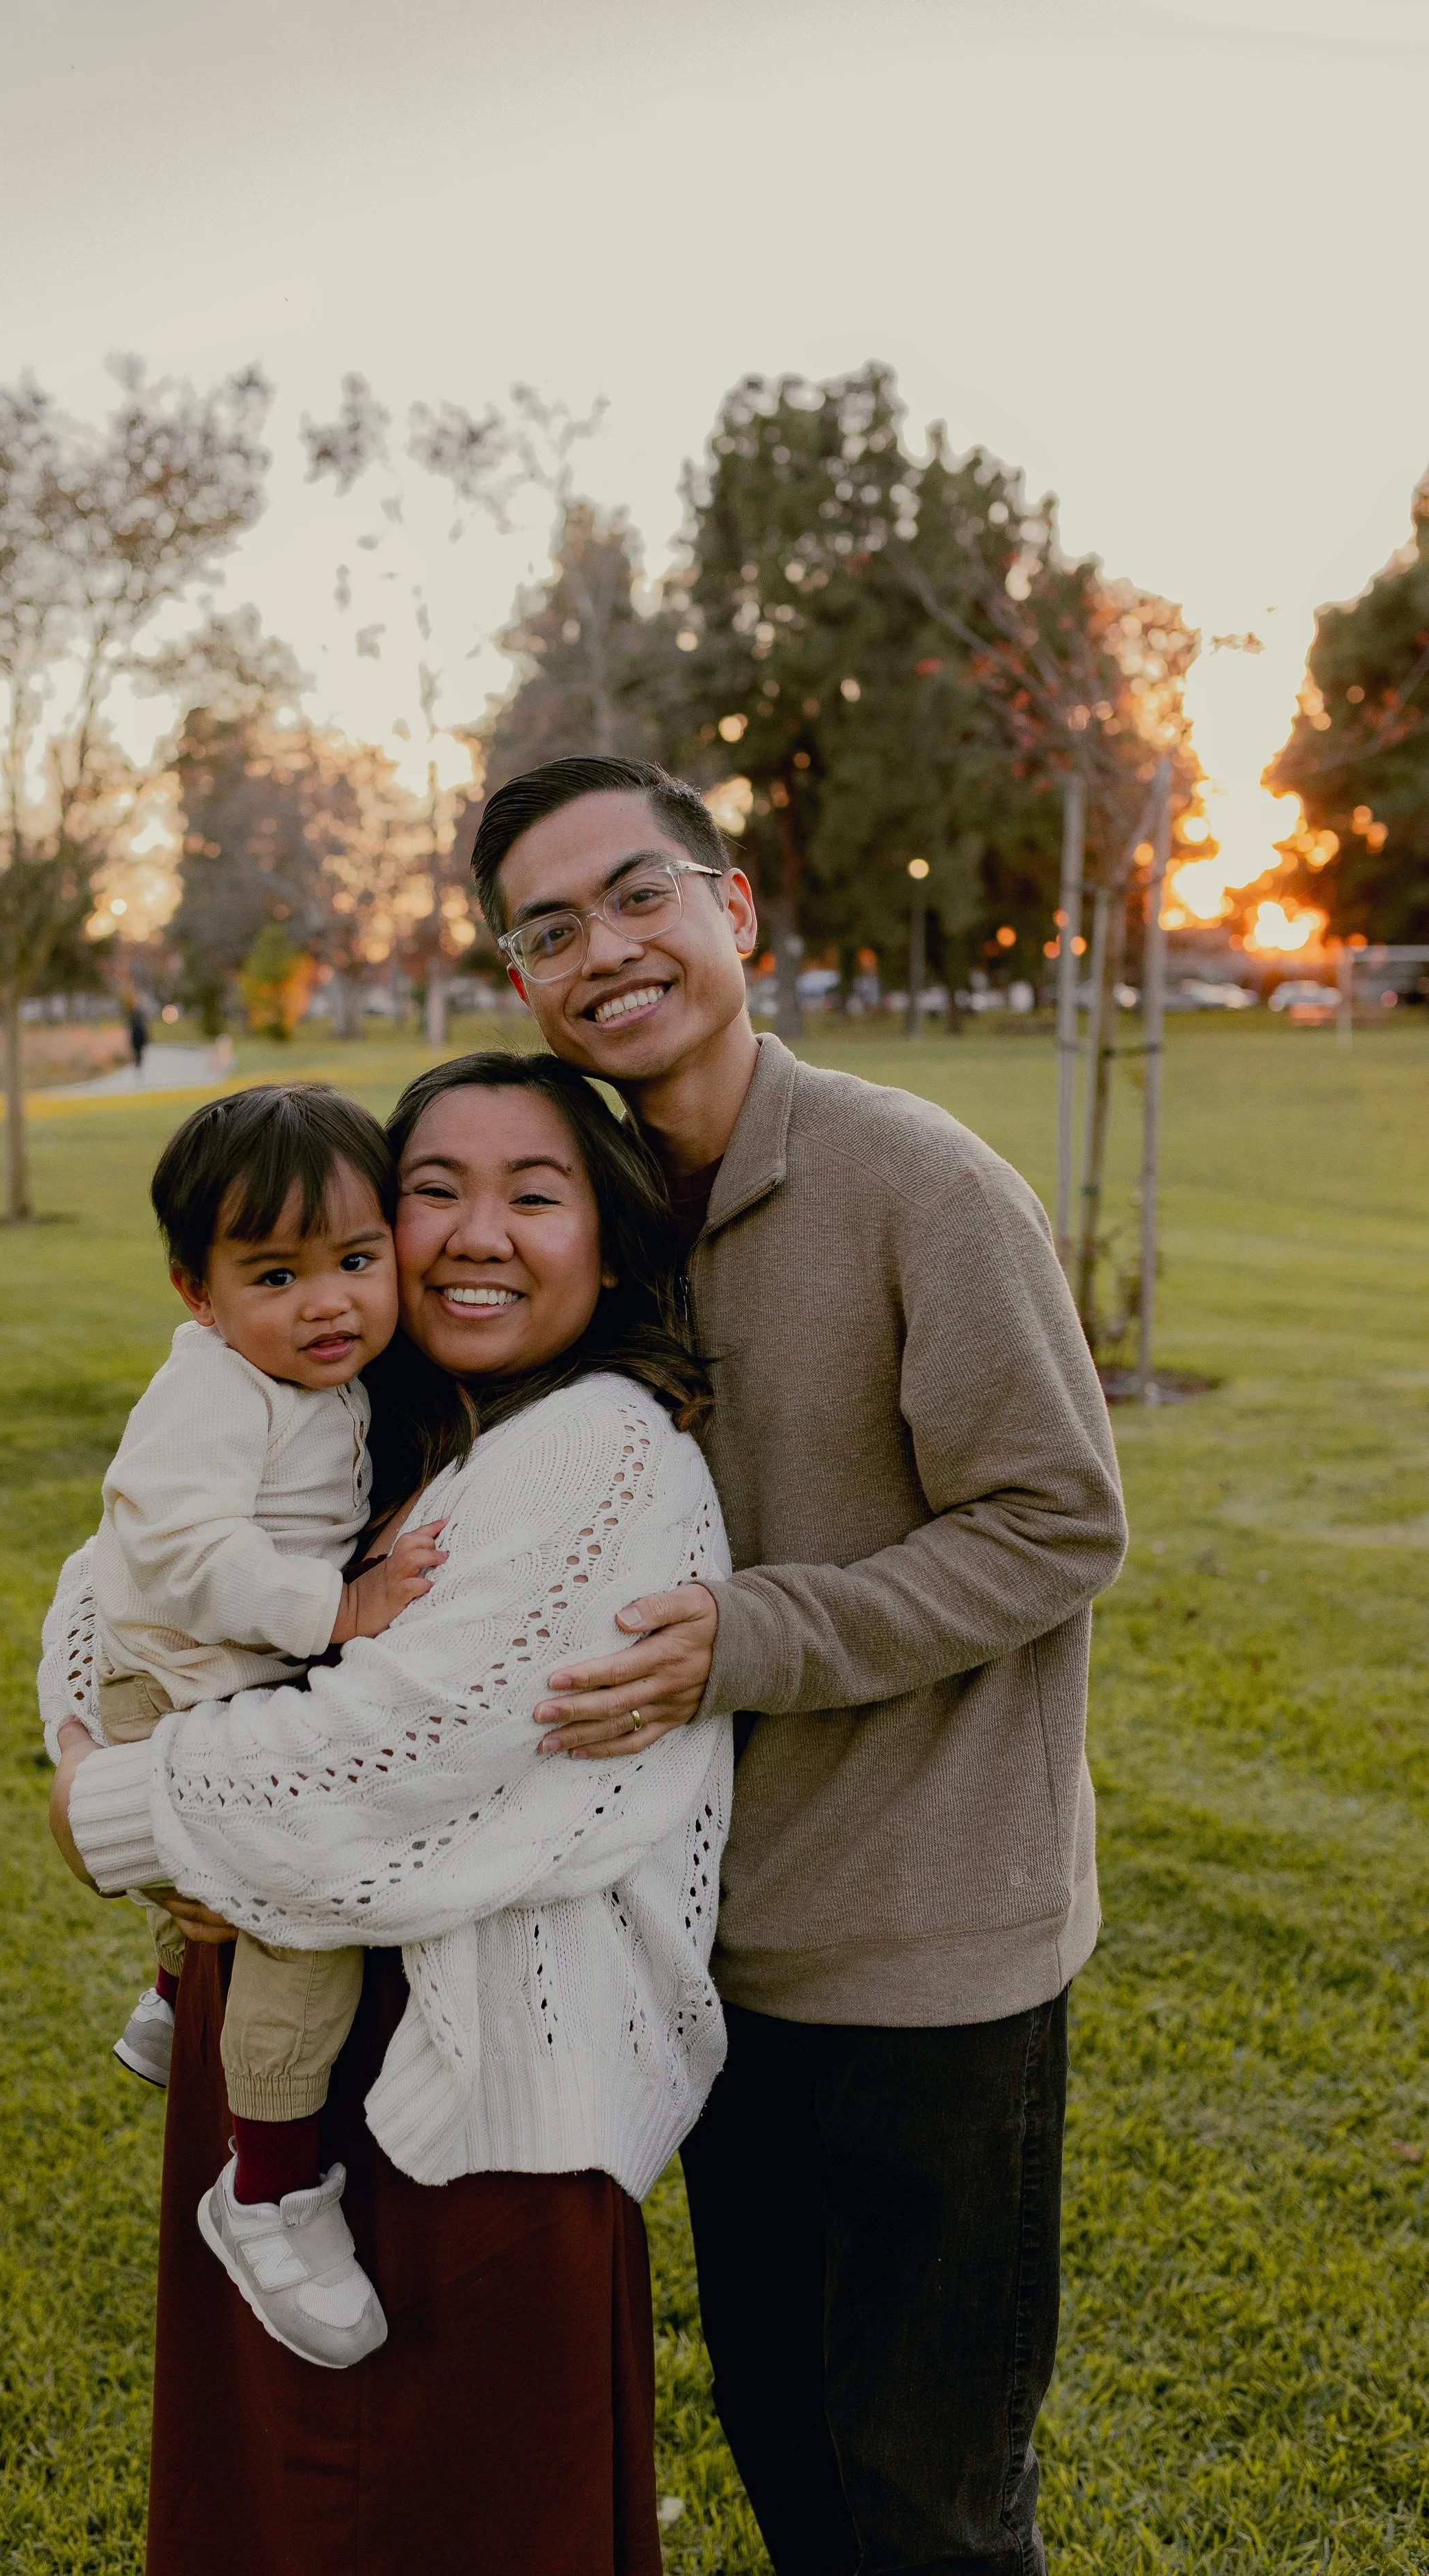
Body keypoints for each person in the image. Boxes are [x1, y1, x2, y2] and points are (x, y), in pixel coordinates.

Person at [469, 756, 1129, 2576]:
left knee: (921, 2499)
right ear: (520, 983)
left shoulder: (920, 1181)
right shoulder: (586, 1223)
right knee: (784, 2451)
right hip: (697, 1951)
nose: (601, 949)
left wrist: (749, 1638)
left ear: (732, 908)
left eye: (635, 894)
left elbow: (1057, 1521)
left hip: (928, 1955)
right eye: (547, 929)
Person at [44, 1050, 733, 2576]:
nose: (475, 1233)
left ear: (607, 1244)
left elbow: (393, 1748)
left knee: (445, 2514)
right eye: (434, 1192)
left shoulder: (596, 1445)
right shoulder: (378, 1415)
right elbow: (110, 1576)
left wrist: (111, 1801)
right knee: (288, 2508)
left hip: (478, 2107)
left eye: (532, 1194)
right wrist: (92, 1738)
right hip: (302, 2049)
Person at [73, 1085, 447, 2366]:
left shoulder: (312, 1374)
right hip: (180, 1682)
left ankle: (172, 2000)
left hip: (212, 1678)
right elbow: (175, 1547)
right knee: (305, 1913)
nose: (329, 1302)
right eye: (276, 1274)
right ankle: (270, 2185)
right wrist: (336, 1606)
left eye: (355, 1261)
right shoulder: (216, 1394)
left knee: (244, 1893)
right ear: (199, 1293)